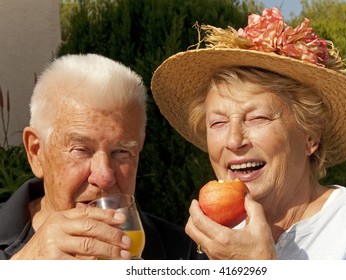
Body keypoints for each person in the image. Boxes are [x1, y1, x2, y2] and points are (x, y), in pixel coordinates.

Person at [151, 7, 346, 259]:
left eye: (257, 118)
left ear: (311, 136)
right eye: (218, 123)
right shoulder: (219, 241)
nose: (234, 140)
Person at [0, 53, 201, 260]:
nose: (104, 177)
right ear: (36, 152)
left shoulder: (180, 253)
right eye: (81, 150)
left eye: (121, 152)